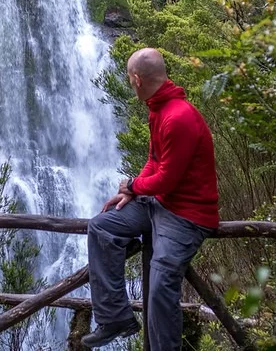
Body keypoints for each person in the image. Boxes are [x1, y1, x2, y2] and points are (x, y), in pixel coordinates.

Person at [82, 48, 220, 350]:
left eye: (129, 80)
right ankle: (114, 317)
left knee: (160, 287)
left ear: (136, 79)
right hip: (162, 203)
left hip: (188, 216)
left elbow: (167, 178)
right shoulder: (159, 109)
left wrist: (133, 184)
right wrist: (131, 191)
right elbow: (154, 161)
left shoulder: (179, 117)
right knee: (102, 226)